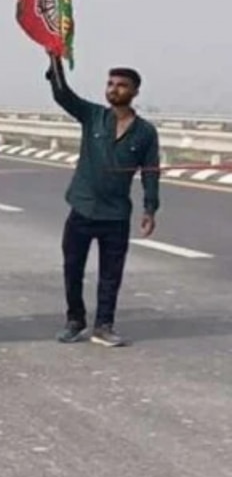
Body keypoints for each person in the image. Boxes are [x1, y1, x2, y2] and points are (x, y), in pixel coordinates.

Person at [46, 56, 160, 347]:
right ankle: (75, 321)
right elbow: (63, 95)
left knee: (111, 275)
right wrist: (54, 61)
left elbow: (150, 172)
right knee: (72, 269)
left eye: (122, 85)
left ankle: (104, 325)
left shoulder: (146, 132)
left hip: (116, 215)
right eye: (110, 83)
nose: (114, 89)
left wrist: (150, 208)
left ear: (134, 91)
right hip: (82, 209)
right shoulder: (92, 115)